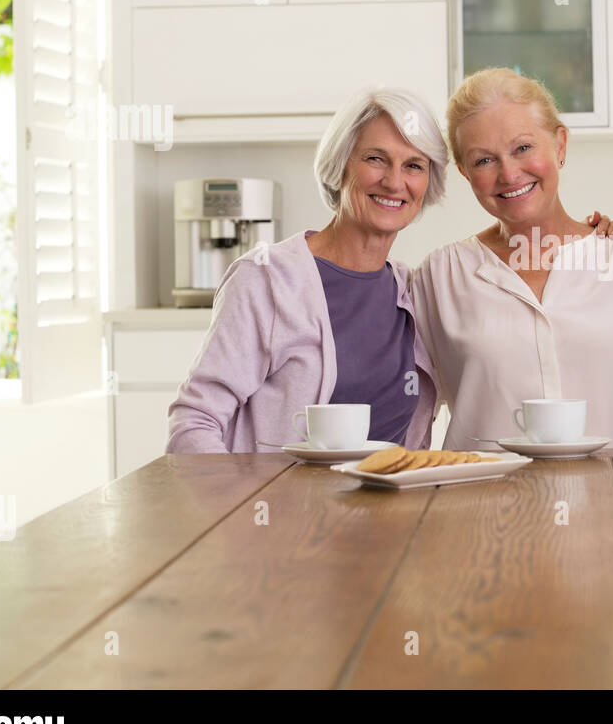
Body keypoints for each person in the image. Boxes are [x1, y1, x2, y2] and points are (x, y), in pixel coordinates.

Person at [166, 87, 446, 453]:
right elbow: (193, 424)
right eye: (376, 159)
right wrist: (247, 505)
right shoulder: (267, 280)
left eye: (414, 165)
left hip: (394, 509)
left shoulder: (413, 293)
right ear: (340, 165)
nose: (394, 182)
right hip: (281, 508)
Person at [411, 68, 613, 450]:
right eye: (484, 161)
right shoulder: (440, 277)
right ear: (465, 174)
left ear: (560, 145)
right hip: (480, 504)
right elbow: (406, 413)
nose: (509, 173)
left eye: (523, 148)